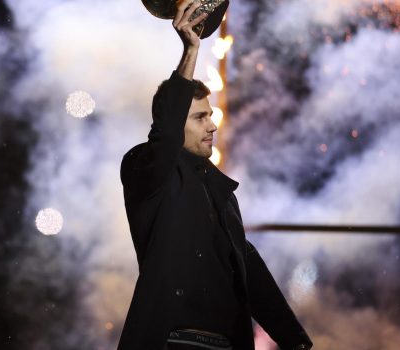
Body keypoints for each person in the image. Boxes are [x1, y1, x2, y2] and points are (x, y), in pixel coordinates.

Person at [118, 1, 313, 349]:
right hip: (173, 343)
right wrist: (192, 48)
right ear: (175, 122)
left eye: (210, 115)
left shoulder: (222, 194)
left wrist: (295, 341)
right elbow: (164, 137)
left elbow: (251, 273)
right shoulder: (144, 170)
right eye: (198, 118)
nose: (212, 125)